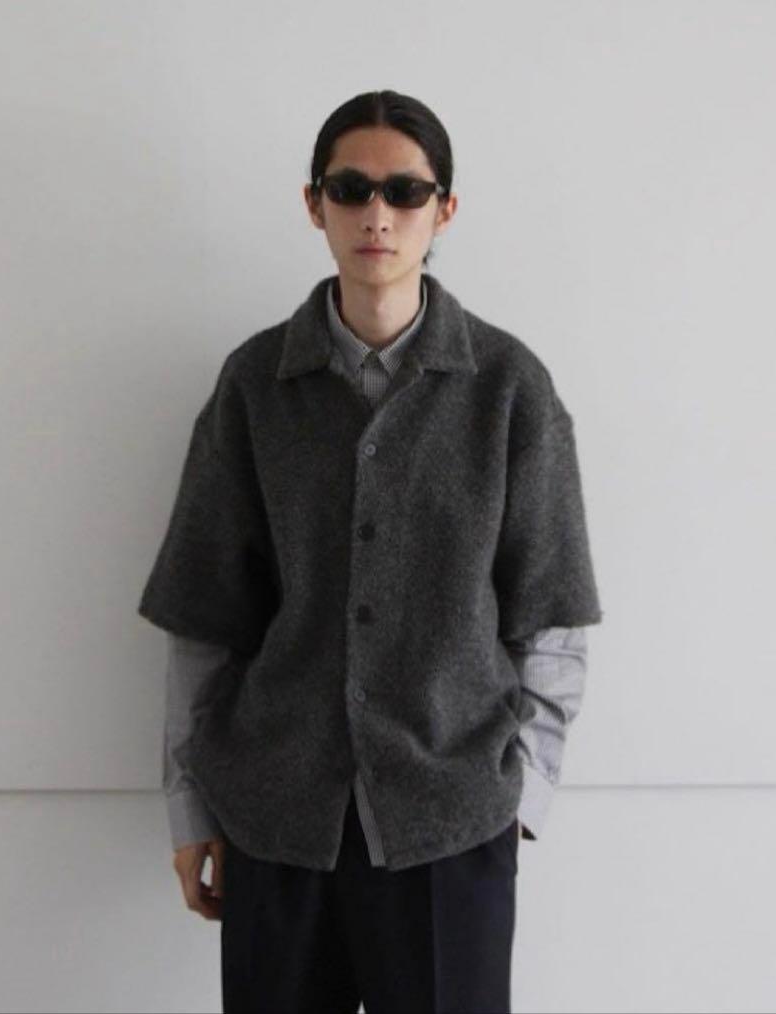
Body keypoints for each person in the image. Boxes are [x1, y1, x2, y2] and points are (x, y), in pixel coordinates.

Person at [138, 89, 603, 1014]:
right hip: (275, 824)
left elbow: (551, 612)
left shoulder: (509, 388)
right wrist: (189, 807)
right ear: (315, 204)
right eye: (351, 189)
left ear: (445, 209)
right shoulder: (255, 385)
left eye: (405, 191)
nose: (377, 215)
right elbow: (205, 618)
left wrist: (522, 801)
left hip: (452, 826)